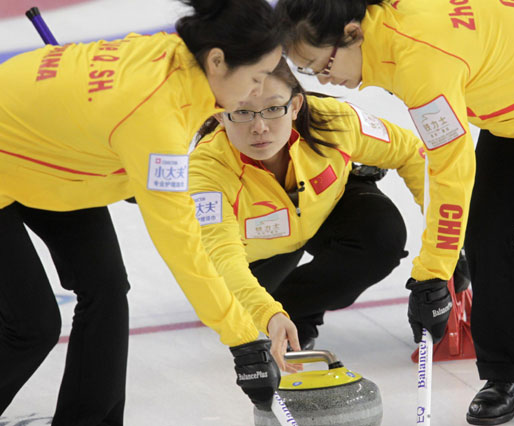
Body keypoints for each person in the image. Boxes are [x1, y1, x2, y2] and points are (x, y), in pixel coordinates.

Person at [273, 0, 514, 424]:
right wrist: (442, 263)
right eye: (309, 73)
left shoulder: (418, 59)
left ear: (352, 33)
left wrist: (432, 274)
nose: (324, 80)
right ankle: (512, 372)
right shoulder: (386, 36)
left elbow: (451, 169)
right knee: (484, 229)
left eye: (322, 64)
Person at [0, 0, 299, 424]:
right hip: (17, 148)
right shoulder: (156, 114)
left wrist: (128, 177)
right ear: (217, 60)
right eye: (254, 79)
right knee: (32, 325)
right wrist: (242, 340)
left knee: (105, 289)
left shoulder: (174, 58)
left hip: (49, 152)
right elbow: (183, 247)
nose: (257, 91)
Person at [189, 57, 426, 352]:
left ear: (296, 106)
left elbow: (414, 154)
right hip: (258, 253)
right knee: (236, 304)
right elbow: (223, 257)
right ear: (220, 114)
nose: (260, 127)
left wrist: (445, 253)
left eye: (274, 108)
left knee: (381, 234)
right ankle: (281, 306)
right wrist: (269, 313)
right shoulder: (206, 169)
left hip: (327, 208)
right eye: (242, 112)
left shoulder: (334, 122)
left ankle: (297, 308)